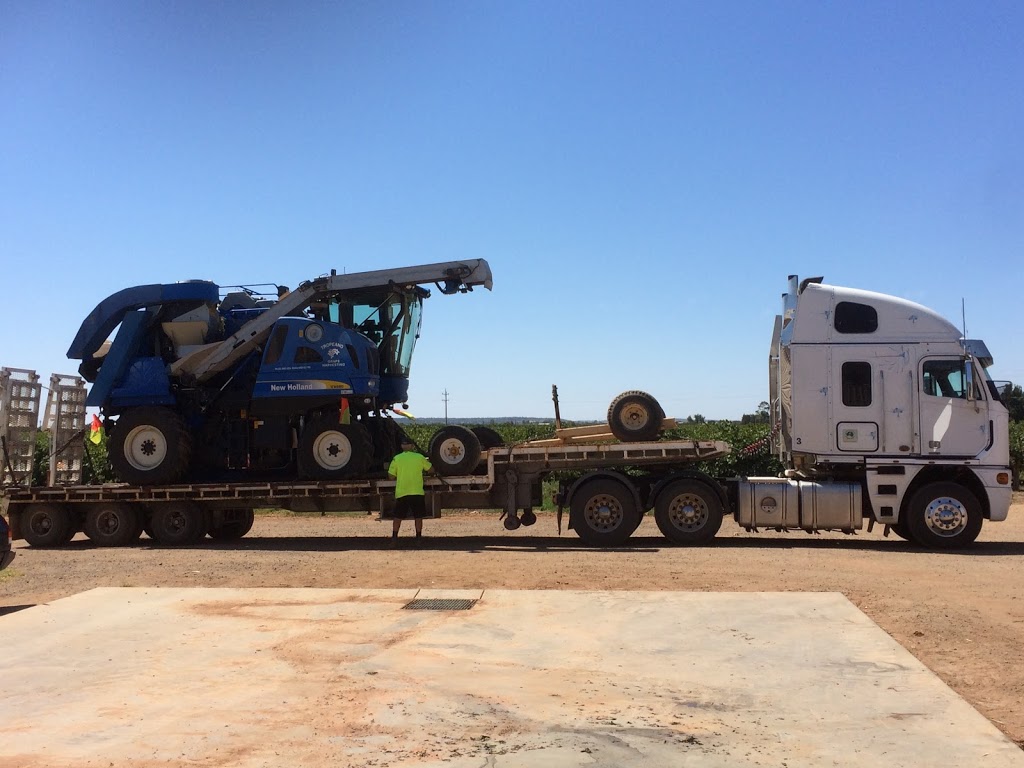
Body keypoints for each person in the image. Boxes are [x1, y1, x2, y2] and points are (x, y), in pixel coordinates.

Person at [387, 438, 434, 543]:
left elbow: (391, 476)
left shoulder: (397, 458)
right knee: (418, 516)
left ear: (402, 446)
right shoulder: (419, 457)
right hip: (417, 491)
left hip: (402, 492)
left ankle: (394, 538)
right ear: (412, 446)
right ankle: (418, 538)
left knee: (398, 516)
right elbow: (431, 470)